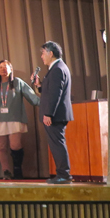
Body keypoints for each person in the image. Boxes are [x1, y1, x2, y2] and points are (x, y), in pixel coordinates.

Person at [0, 59, 39, 180]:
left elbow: (31, 96)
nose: (3, 69)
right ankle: (6, 171)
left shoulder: (17, 82)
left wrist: (45, 104)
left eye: (6, 67)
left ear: (11, 69)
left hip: (15, 118)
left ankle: (17, 169)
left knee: (15, 145)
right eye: (0, 67)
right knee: (1, 147)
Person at [36, 41, 73, 184]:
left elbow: (55, 94)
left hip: (55, 115)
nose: (41, 56)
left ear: (51, 53)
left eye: (43, 53)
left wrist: (49, 114)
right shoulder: (58, 67)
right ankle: (62, 174)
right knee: (57, 144)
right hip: (56, 114)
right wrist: (39, 85)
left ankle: (64, 175)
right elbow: (50, 90)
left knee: (57, 145)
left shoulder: (57, 69)